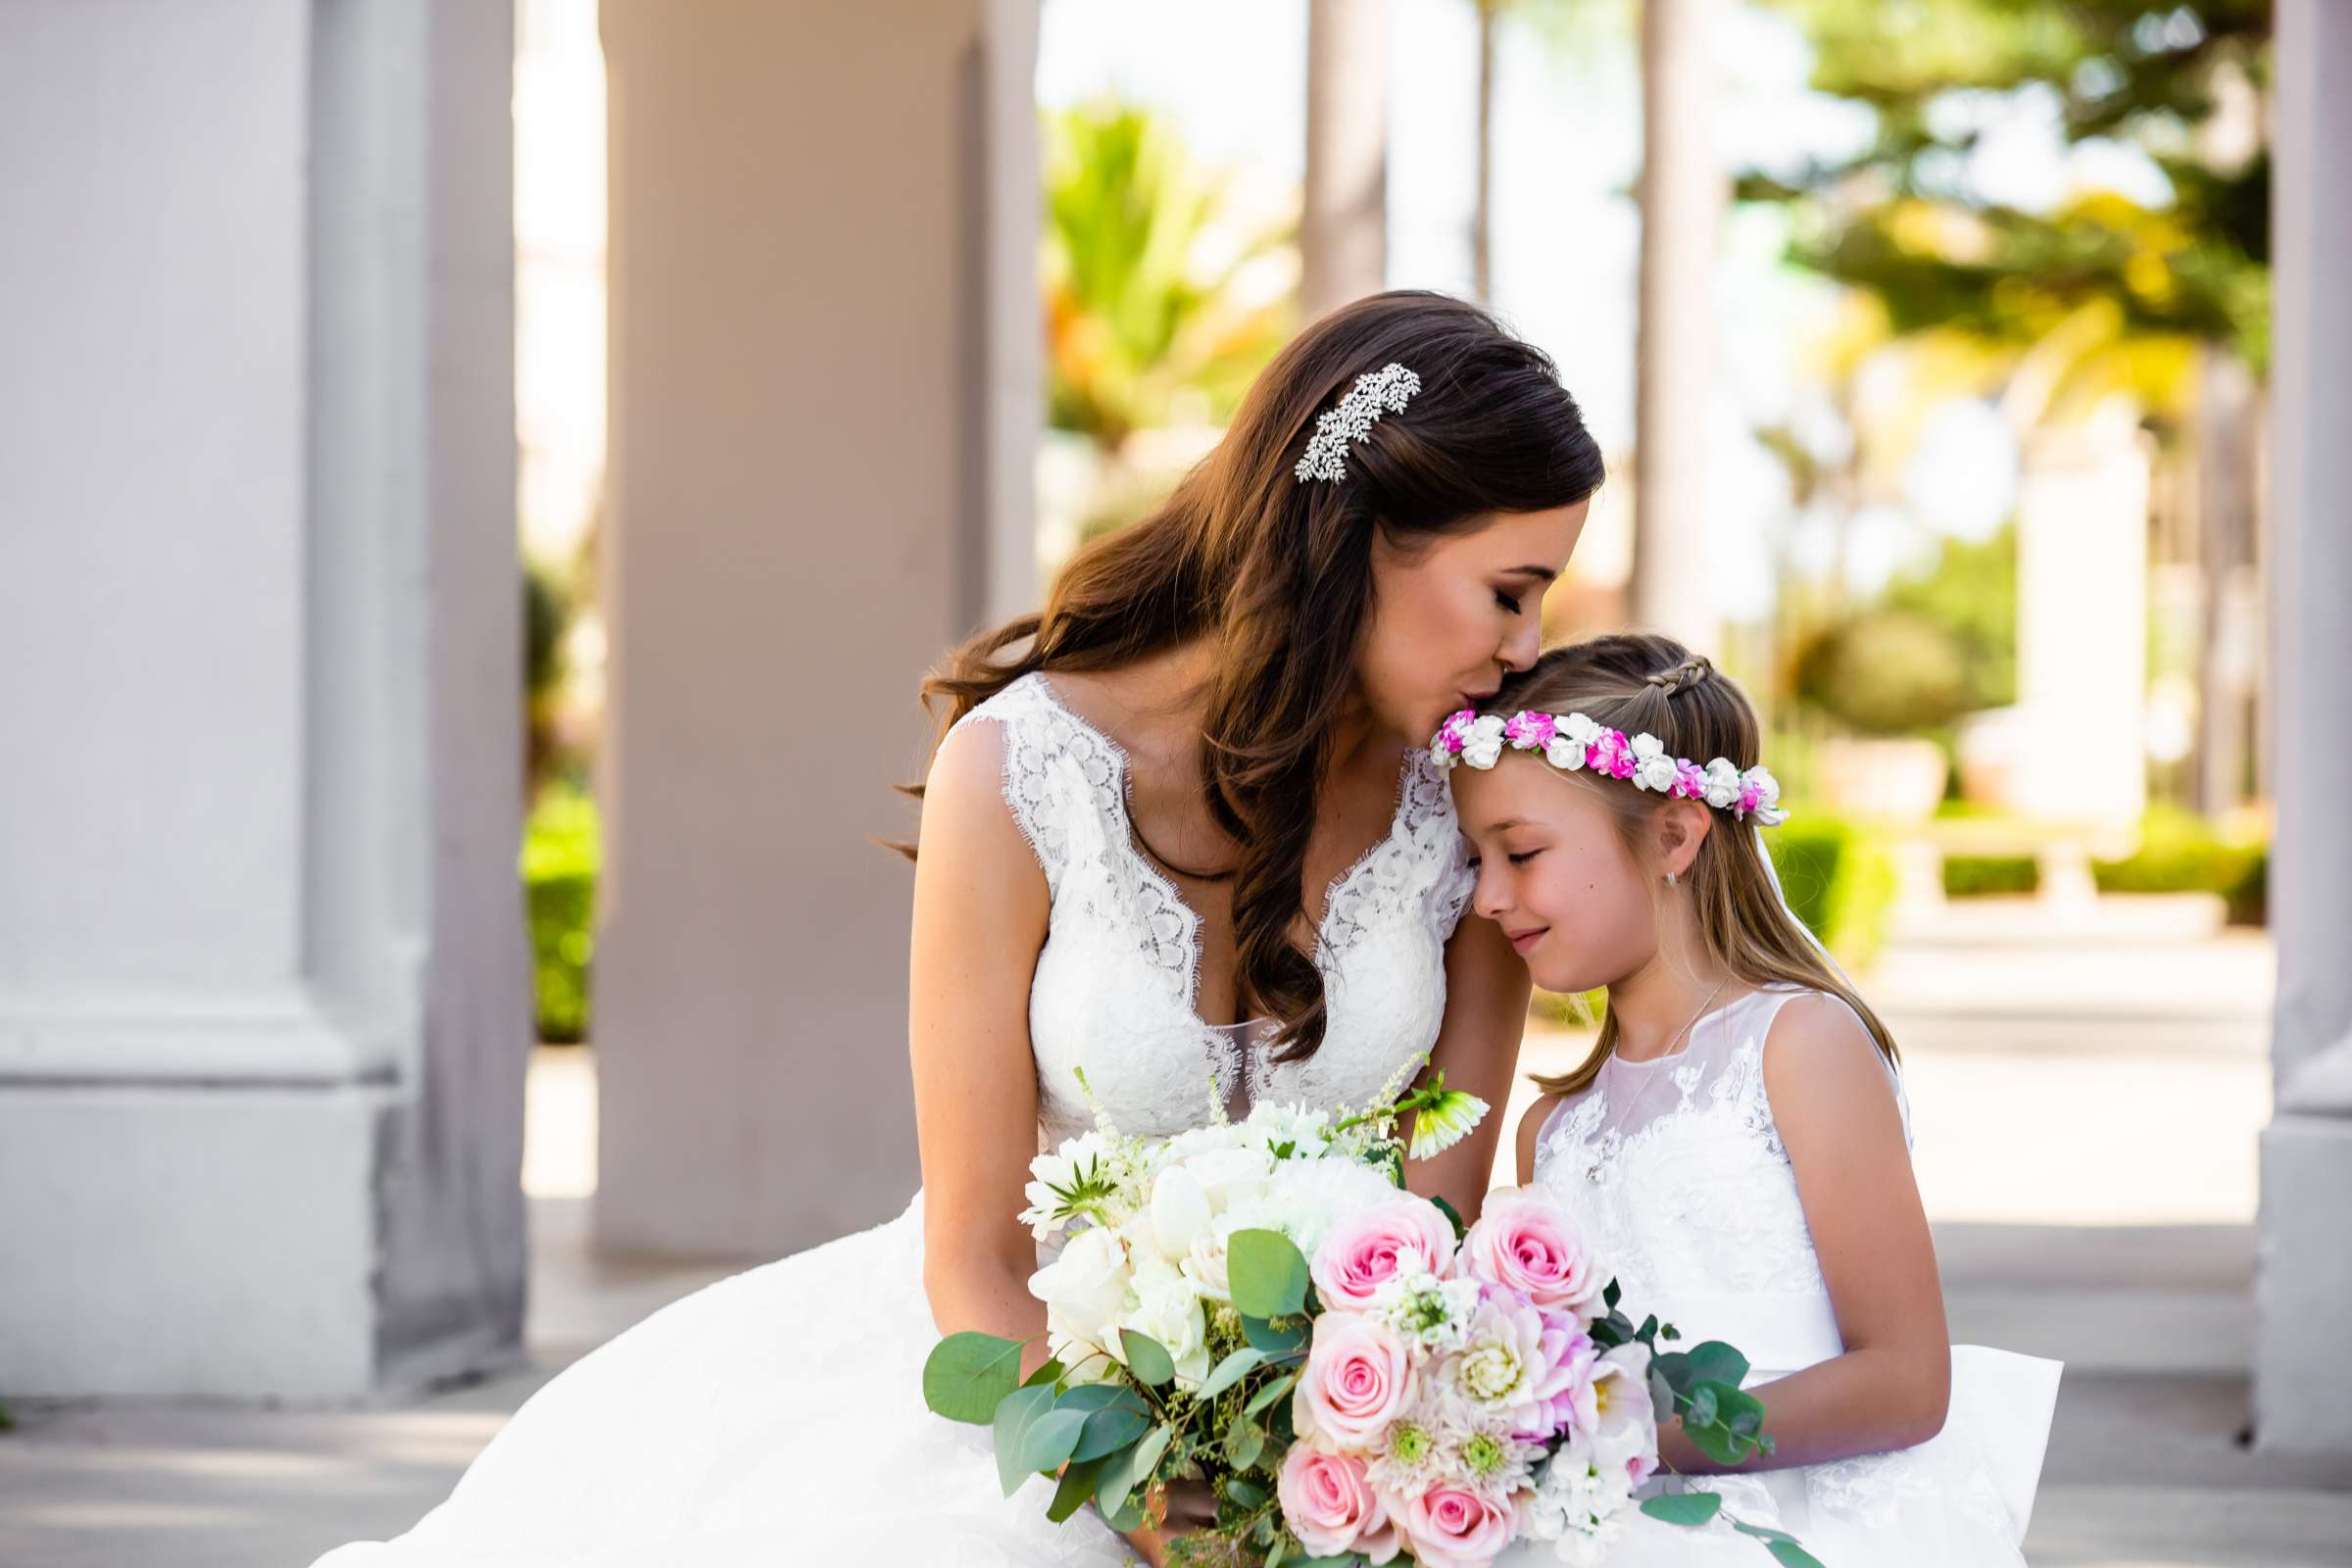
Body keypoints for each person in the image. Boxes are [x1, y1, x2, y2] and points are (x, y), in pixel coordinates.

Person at [309, 291, 1605, 1567]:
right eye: (1510, 590)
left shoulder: (1470, 811)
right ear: (1363, 533)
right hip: (1024, 1391)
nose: (1525, 643)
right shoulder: (1024, 770)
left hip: (1338, 1429)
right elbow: (975, 1249)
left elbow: (1430, 1234)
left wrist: (1332, 1478)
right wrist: (1141, 1507)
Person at [1441, 634, 2061, 1567]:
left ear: (1677, 836)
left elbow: (1907, 1379)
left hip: (1800, 1527)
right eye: (1475, 859)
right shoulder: (1554, 1130)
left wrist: (1636, 1433)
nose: (1488, 898)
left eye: (1521, 852)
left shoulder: (1799, 1048)